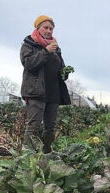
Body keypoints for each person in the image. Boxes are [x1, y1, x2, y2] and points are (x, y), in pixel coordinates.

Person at [20, 15, 70, 153]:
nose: (49, 31)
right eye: (46, 27)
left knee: (50, 127)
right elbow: (29, 64)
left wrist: (64, 72)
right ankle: (27, 156)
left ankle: (47, 154)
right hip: (36, 92)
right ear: (38, 28)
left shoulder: (56, 48)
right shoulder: (29, 45)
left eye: (51, 29)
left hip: (53, 92)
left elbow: (61, 66)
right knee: (33, 126)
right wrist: (46, 51)